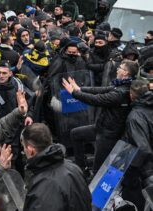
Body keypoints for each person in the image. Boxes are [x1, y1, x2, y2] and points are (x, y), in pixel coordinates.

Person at [62, 60, 139, 173]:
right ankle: (81, 168)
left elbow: (96, 99)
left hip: (108, 134)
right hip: (101, 127)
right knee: (75, 134)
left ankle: (93, 184)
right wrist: (80, 89)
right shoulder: (120, 85)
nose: (117, 69)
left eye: (120, 68)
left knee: (98, 169)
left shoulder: (121, 93)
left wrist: (75, 93)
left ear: (126, 73)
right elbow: (101, 90)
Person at [21, 123, 92, 211]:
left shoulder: (40, 188)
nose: (23, 151)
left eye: (23, 147)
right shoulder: (74, 168)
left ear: (30, 150)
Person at [122, 80, 153, 211]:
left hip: (147, 168)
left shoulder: (134, 117)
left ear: (131, 95)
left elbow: (143, 149)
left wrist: (129, 167)